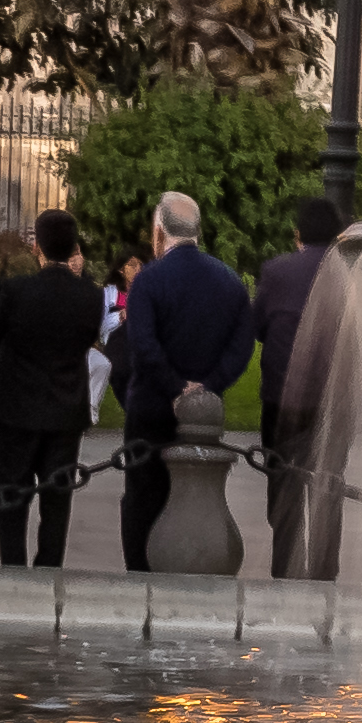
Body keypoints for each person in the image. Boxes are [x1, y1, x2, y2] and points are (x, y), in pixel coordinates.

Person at [115, 189, 259, 574]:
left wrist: (175, 389)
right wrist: (207, 387)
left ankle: (141, 577)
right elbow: (242, 346)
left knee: (143, 498)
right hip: (206, 416)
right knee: (201, 497)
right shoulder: (230, 282)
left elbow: (143, 345)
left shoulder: (149, 281)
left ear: (159, 232)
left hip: (151, 407)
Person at [0, 206, 99, 570]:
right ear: (74, 246)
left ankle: (12, 566)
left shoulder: (16, 290)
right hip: (66, 408)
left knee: (11, 496)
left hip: (17, 407)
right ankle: (49, 567)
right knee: (57, 500)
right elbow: (87, 340)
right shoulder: (90, 296)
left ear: (37, 247)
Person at [251, 192, 346, 579]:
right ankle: (324, 572)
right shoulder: (348, 274)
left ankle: (284, 568)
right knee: (329, 486)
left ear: (298, 234)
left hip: (283, 397)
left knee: (284, 485)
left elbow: (258, 326)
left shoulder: (276, 272)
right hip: (334, 402)